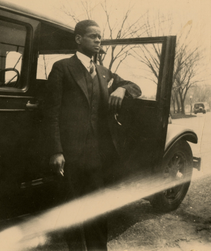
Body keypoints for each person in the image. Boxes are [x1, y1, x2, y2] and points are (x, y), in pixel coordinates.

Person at [43, 20, 141, 251]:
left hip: (98, 156)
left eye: (100, 36)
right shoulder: (62, 67)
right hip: (71, 154)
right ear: (78, 39)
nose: (98, 40)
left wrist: (122, 88)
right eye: (93, 36)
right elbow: (52, 113)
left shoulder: (105, 73)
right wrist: (56, 150)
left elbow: (136, 87)